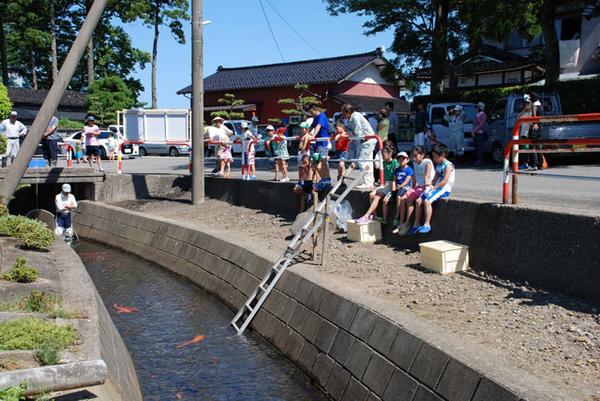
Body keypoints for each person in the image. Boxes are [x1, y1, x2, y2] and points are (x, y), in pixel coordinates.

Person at [414, 143, 455, 234]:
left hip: (443, 189)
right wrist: (430, 184)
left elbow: (444, 181)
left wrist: (434, 188)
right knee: (419, 200)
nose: (434, 159)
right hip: (436, 187)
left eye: (435, 156)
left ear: (443, 155)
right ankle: (416, 224)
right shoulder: (439, 164)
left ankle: (427, 224)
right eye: (433, 156)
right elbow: (435, 177)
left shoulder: (448, 165)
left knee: (427, 201)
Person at [355, 146, 397, 224]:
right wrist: (381, 182)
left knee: (377, 197)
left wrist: (393, 189)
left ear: (390, 154)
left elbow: (395, 177)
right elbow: (384, 176)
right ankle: (375, 215)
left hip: (391, 185)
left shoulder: (395, 162)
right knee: (371, 195)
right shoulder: (384, 163)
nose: (382, 156)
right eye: (381, 154)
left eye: (383, 154)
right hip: (385, 184)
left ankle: (366, 216)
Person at [341, 104, 377, 189]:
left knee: (361, 161)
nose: (342, 114)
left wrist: (350, 137)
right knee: (368, 162)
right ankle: (369, 182)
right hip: (367, 140)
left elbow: (358, 132)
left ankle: (367, 182)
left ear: (348, 112)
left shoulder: (355, 117)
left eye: (343, 112)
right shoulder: (353, 117)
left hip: (366, 141)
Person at [404, 145, 435, 235]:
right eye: (412, 156)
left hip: (427, 186)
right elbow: (414, 176)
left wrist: (425, 188)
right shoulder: (415, 162)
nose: (414, 158)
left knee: (418, 201)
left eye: (416, 156)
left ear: (422, 155)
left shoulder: (427, 162)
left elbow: (426, 177)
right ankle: (407, 222)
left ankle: (416, 223)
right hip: (419, 186)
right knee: (408, 198)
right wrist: (412, 187)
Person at [391, 151, 414, 235]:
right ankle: (400, 220)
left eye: (403, 159)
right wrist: (393, 189)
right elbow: (394, 180)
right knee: (397, 197)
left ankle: (398, 216)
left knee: (399, 197)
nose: (401, 161)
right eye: (399, 159)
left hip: (406, 187)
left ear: (407, 160)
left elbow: (407, 181)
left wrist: (399, 187)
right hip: (399, 187)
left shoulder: (409, 169)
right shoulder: (397, 169)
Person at [308, 104, 331, 179]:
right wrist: (305, 135)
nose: (311, 114)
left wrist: (313, 136)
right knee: (315, 164)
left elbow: (318, 126)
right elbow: (311, 127)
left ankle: (326, 179)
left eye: (311, 112)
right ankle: (324, 179)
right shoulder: (315, 117)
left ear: (315, 110)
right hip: (318, 145)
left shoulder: (322, 116)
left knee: (322, 164)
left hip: (323, 144)